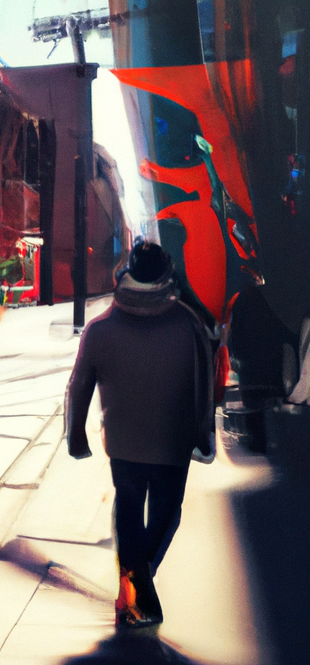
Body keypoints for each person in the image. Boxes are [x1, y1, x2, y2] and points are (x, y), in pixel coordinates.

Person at [65, 240, 215, 629]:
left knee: (128, 515)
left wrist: (76, 437)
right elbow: (204, 386)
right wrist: (204, 435)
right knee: (167, 516)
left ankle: (135, 587)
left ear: (125, 274)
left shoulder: (100, 328)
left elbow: (78, 385)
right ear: (168, 275)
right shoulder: (188, 324)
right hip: (173, 441)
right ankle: (139, 588)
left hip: (124, 443)